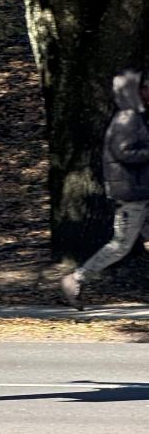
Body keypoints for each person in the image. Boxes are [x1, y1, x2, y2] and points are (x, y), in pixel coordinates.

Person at [61, 70, 149, 309]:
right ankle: (76, 279)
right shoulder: (127, 118)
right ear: (134, 91)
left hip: (141, 192)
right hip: (132, 195)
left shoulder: (135, 117)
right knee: (120, 245)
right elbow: (123, 151)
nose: (148, 92)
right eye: (145, 88)